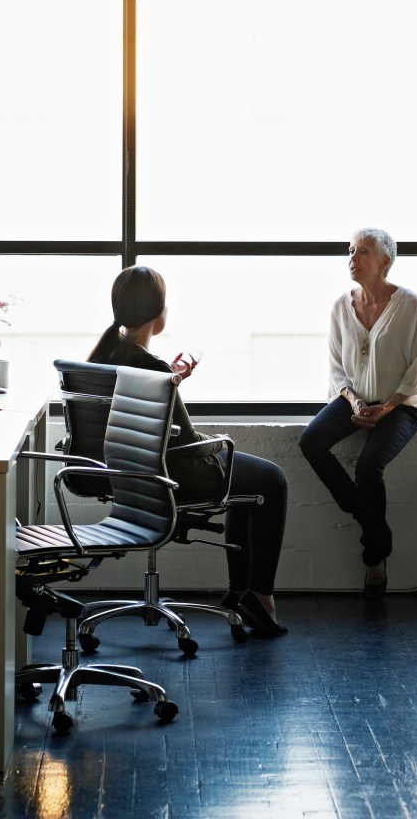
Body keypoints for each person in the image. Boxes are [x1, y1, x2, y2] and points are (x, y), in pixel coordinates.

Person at [87, 265, 290, 637]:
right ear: (158, 312)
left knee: (251, 487)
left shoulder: (101, 359)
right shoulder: (152, 368)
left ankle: (239, 594)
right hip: (172, 475)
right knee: (271, 481)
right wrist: (216, 440)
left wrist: (174, 379)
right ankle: (258, 596)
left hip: (119, 473)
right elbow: (188, 445)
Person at [299, 228, 417, 597]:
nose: (352, 258)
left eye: (363, 252)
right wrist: (355, 403)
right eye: (351, 250)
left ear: (385, 262)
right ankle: (368, 517)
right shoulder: (342, 306)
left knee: (369, 466)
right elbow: (337, 368)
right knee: (311, 441)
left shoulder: (411, 306)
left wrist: (385, 408)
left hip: (402, 404)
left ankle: (375, 559)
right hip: (354, 399)